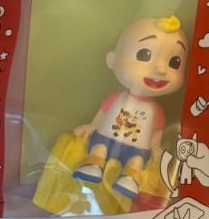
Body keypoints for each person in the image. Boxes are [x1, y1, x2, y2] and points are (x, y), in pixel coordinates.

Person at [72, 15, 188, 200]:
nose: (161, 69)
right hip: (106, 138)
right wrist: (92, 126)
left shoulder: (157, 111)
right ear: (112, 60)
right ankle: (93, 165)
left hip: (137, 149)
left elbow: (156, 132)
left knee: (137, 161)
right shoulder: (117, 98)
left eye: (174, 62)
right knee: (99, 148)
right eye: (144, 55)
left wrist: (156, 149)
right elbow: (102, 114)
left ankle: (129, 179)